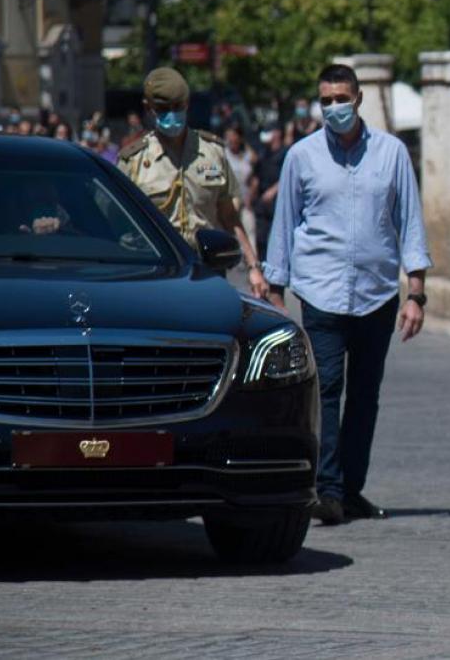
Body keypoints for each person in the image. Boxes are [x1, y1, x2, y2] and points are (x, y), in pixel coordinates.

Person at [264, 64, 431, 526]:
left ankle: (351, 487)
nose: (334, 107)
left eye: (342, 97)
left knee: (366, 395)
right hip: (320, 291)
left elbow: (410, 223)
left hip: (377, 294)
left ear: (358, 99)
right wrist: (275, 289)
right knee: (328, 389)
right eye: (326, 100)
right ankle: (329, 489)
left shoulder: (392, 153)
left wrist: (416, 291)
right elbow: (285, 224)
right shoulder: (301, 156)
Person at [118, 67, 268, 298]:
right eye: (163, 109)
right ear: (149, 109)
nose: (171, 115)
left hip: (206, 271)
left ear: (187, 104)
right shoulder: (134, 161)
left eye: (177, 107)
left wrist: (253, 268)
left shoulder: (212, 152)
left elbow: (229, 217)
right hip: (156, 274)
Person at [251, 126, 286, 260]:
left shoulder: (285, 153)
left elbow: (286, 177)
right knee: (261, 238)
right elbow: (257, 176)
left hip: (276, 202)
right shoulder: (263, 152)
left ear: (277, 133)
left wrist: (273, 191)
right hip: (262, 203)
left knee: (276, 236)